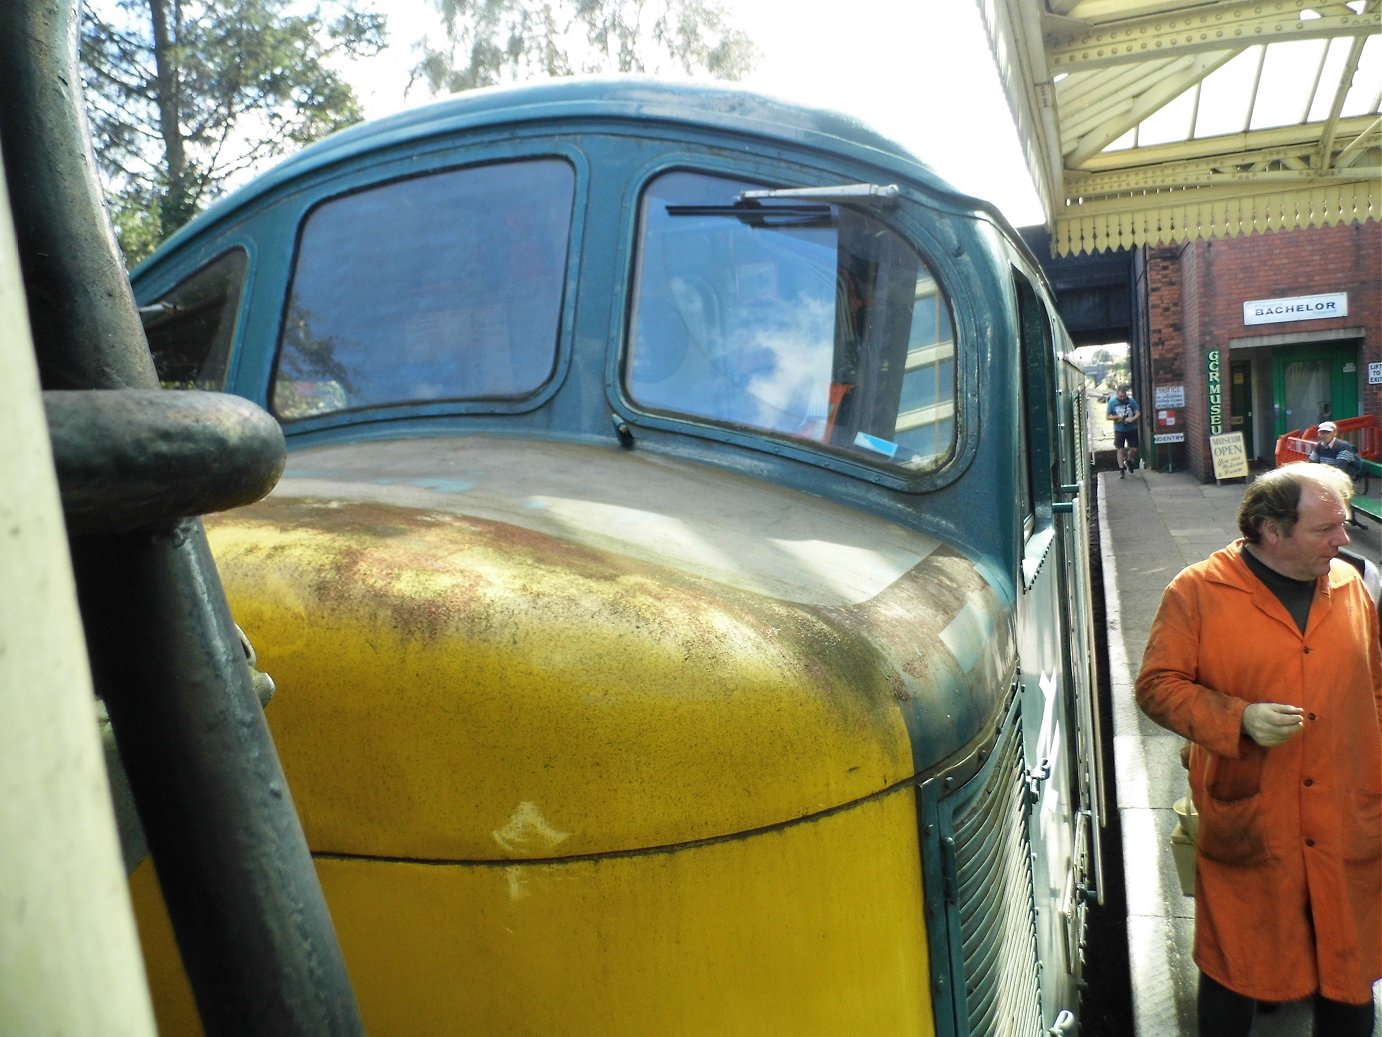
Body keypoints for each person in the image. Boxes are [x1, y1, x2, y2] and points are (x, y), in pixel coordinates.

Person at [1136, 463, 1382, 1037]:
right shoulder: (1197, 591)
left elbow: (1375, 686)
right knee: (1237, 965)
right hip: (1253, 816)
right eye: (1327, 530)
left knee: (1348, 968)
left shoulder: (1351, 586)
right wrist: (1237, 718)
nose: (1344, 540)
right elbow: (1156, 687)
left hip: (1347, 815)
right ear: (1272, 530)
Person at [1310, 420, 1368, 530]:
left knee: (1323, 492)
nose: (1324, 435)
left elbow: (1339, 468)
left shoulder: (1344, 446)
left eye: (1327, 432)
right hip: (1328, 477)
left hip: (1346, 478)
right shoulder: (1319, 446)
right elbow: (1311, 463)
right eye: (1321, 432)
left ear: (1334, 433)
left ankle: (1330, 521)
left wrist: (1319, 474)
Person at [1107, 384, 1141, 478]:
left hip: (1131, 428)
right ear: (1117, 394)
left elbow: (1138, 412)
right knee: (1120, 449)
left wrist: (1133, 418)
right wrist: (1118, 417)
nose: (1122, 398)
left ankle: (1129, 460)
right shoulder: (1112, 403)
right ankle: (1121, 469)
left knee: (1134, 448)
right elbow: (1108, 416)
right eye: (1121, 396)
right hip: (1119, 429)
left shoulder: (1131, 401)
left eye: (1124, 396)